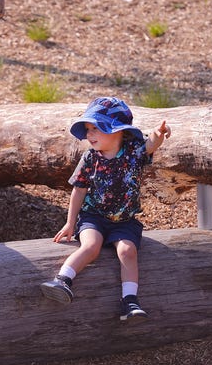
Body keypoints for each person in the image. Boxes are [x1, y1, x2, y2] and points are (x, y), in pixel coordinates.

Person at [40, 96, 171, 321]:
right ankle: (62, 280)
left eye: (96, 129)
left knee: (127, 252)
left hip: (125, 220)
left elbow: (150, 145)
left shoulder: (133, 151)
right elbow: (79, 190)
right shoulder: (90, 158)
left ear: (117, 131)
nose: (90, 135)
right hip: (94, 216)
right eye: (88, 129)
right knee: (91, 246)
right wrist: (71, 222)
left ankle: (130, 301)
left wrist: (157, 137)